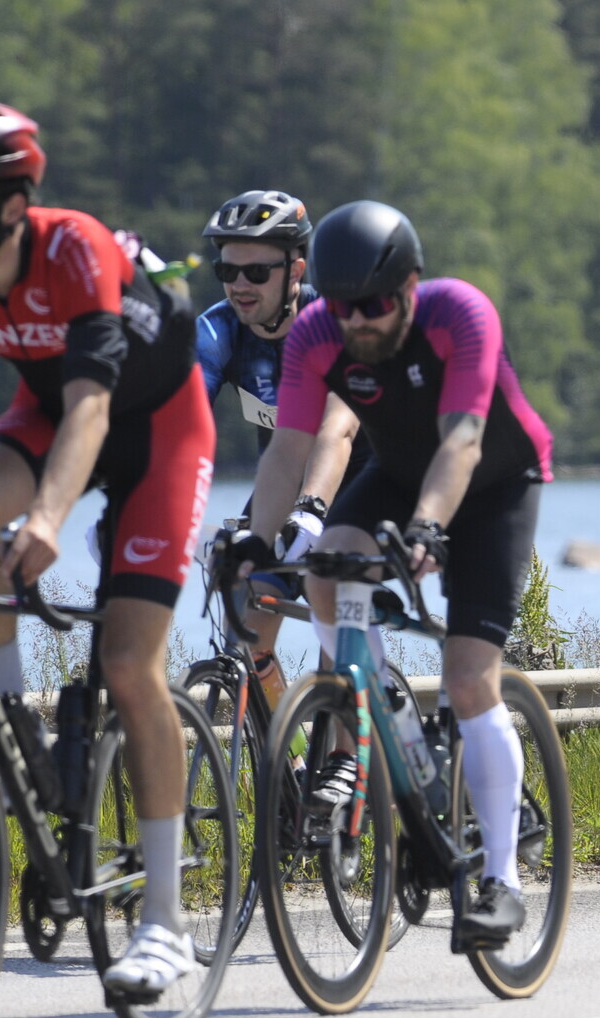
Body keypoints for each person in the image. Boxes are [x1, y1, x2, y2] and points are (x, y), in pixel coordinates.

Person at [0, 102, 215, 996]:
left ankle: (165, 923)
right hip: (46, 412)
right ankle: (8, 729)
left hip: (156, 427)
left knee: (129, 662)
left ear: (11, 206)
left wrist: (48, 519)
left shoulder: (75, 249)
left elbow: (93, 408)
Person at [241, 201, 552, 944]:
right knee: (324, 574)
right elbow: (288, 450)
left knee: (469, 676)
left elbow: (464, 441)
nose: (357, 323)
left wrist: (428, 527)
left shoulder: (459, 313)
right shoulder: (316, 333)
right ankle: (375, 701)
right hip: (400, 473)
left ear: (410, 286)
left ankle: (502, 883)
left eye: (374, 307)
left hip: (494, 483)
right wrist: (253, 542)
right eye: (342, 306)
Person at [196, 188, 362, 703]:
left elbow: (338, 429)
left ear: (295, 271)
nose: (239, 285)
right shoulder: (219, 331)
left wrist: (311, 510)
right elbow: (182, 426)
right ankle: (285, 751)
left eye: (256, 272)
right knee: (249, 622)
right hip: (285, 476)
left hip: (359, 477)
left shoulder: (331, 322)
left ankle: (344, 744)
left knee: (336, 624)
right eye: (228, 271)